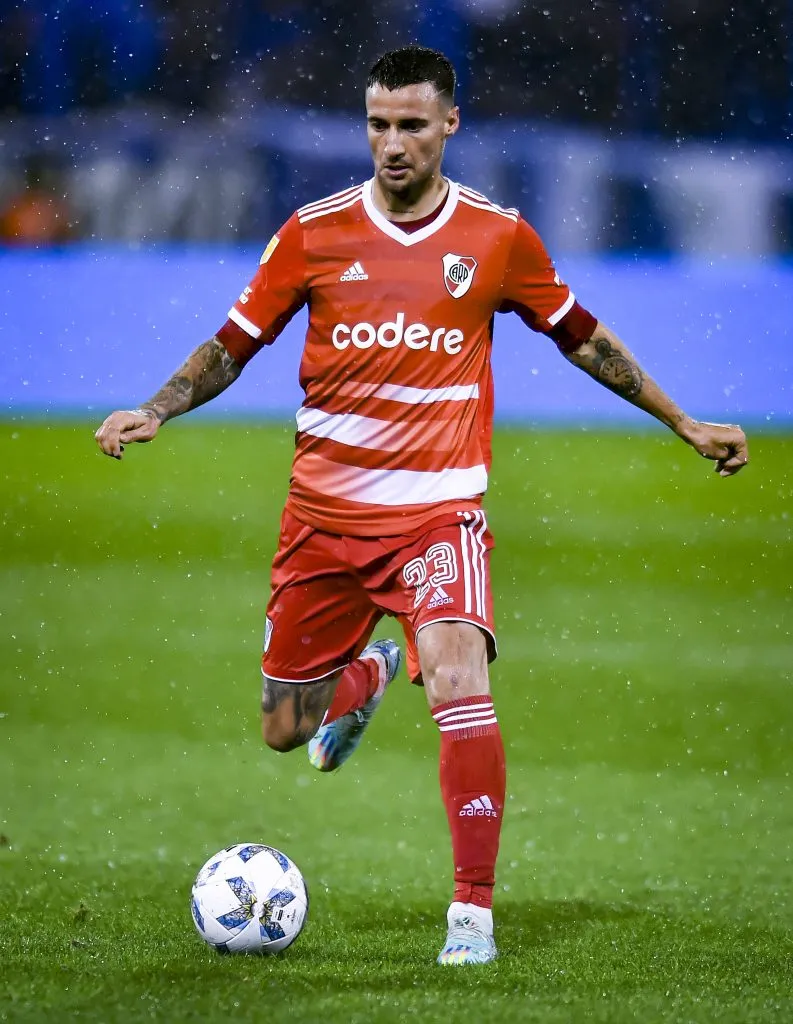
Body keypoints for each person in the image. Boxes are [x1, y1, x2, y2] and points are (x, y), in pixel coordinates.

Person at [95, 45, 749, 966]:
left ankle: (470, 920)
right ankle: (361, 677)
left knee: (458, 683)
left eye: (410, 125)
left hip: (438, 515)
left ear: (449, 125)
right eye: (377, 124)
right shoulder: (313, 235)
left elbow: (582, 338)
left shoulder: (496, 237)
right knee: (284, 731)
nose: (391, 144)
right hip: (321, 524)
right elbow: (231, 345)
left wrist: (682, 421)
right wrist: (156, 406)